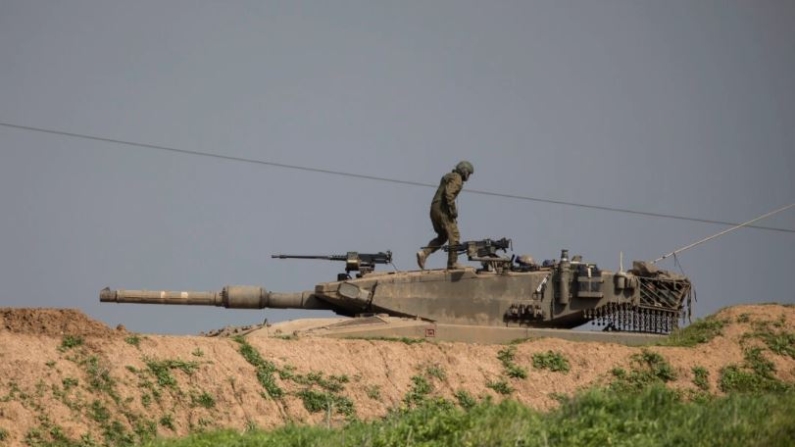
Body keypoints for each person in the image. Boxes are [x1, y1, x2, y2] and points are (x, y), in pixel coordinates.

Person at [416, 161, 474, 270]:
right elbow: (449, 194)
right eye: (469, 174)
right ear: (464, 171)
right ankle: (453, 263)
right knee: (454, 235)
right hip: (442, 209)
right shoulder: (457, 178)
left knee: (443, 236)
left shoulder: (450, 176)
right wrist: (453, 211)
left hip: (435, 208)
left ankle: (424, 253)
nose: (468, 177)